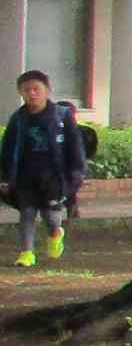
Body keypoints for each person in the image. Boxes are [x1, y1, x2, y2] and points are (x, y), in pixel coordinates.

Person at [1, 70, 86, 267]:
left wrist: (76, 173)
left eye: (36, 89)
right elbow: (7, 149)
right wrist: (5, 177)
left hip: (53, 175)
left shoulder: (62, 115)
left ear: (47, 90)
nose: (31, 94)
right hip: (26, 175)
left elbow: (75, 146)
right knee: (27, 212)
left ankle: (56, 233)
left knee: (50, 214)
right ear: (20, 92)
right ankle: (27, 253)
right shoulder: (18, 118)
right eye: (26, 90)